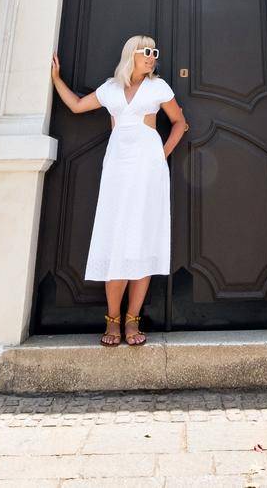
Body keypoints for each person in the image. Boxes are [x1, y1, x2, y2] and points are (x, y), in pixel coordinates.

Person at [51, 35, 187, 347]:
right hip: (117, 171)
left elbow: (180, 123)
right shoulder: (110, 89)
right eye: (146, 52)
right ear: (132, 55)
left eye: (155, 52)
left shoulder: (159, 87)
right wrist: (56, 79)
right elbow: (75, 105)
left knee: (143, 239)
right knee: (116, 240)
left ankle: (132, 319)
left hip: (149, 173)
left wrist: (160, 155)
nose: (152, 57)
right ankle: (112, 318)